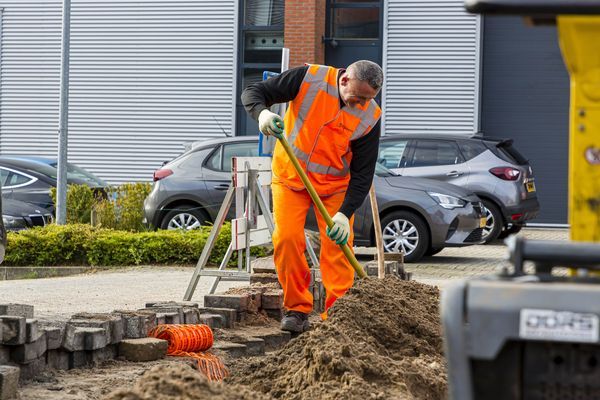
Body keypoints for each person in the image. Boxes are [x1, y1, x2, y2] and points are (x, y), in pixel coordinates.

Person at [241, 60, 383, 333]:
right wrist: (262, 115)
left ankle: (337, 315)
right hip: (290, 177)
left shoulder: (370, 117)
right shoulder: (309, 78)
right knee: (287, 239)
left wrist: (344, 213)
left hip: (334, 187)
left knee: (337, 248)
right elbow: (253, 93)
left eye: (368, 99)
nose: (361, 104)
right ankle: (297, 310)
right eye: (358, 97)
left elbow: (363, 174)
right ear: (344, 81)